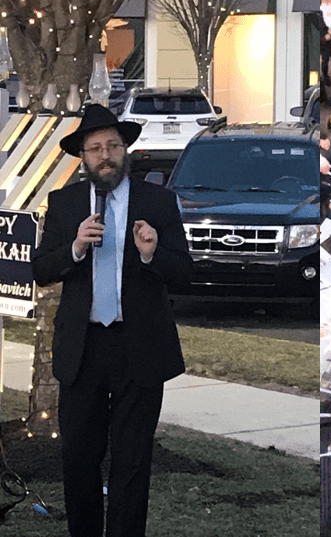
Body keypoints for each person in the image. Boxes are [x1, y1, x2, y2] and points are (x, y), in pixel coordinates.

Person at [32, 104, 192, 537]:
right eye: (96, 148)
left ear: (127, 150)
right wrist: (75, 248)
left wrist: (151, 252)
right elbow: (41, 268)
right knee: (79, 459)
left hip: (138, 347)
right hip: (83, 349)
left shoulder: (157, 201)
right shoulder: (63, 203)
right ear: (83, 157)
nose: (106, 155)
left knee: (132, 461)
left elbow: (184, 273)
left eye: (113, 146)